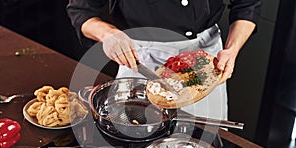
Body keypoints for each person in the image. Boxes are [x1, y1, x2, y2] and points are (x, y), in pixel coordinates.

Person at [66, 0, 262, 120]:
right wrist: (108, 34)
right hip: (140, 56)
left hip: (205, 60)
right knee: (136, 140)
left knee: (205, 143)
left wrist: (232, 49)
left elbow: (247, 5)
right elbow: (81, 11)